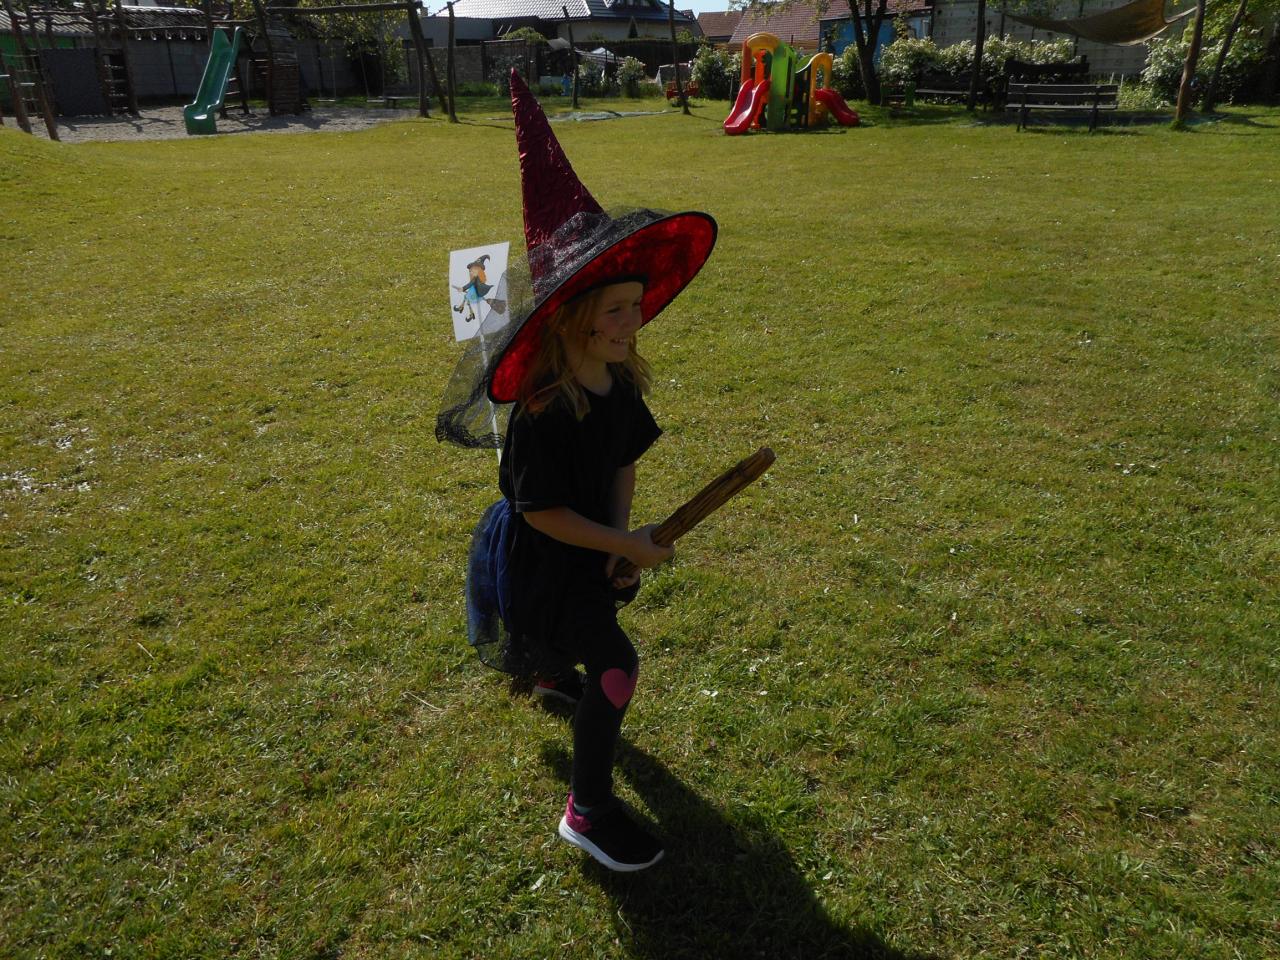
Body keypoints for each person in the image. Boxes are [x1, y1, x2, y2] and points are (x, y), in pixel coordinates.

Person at [436, 70, 718, 872]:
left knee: (582, 650)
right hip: (543, 561)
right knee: (619, 668)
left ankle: (554, 674)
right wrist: (621, 547)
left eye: (637, 303)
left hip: (590, 548)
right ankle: (586, 812)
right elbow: (541, 513)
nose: (636, 319)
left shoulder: (621, 382)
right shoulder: (542, 412)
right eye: (616, 309)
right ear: (569, 321)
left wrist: (620, 542)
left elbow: (622, 460)